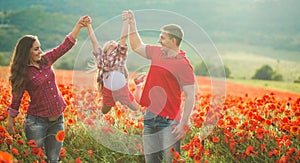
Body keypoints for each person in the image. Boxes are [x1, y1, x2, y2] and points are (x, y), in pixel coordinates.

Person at [6, 15, 90, 163]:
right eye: (36, 49)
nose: (40, 51)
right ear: (27, 52)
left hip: (58, 120)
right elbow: (16, 100)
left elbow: (65, 46)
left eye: (40, 48)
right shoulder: (23, 73)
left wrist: (78, 25)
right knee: (37, 160)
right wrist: (10, 123)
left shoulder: (46, 60)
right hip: (36, 123)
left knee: (53, 159)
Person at [127, 10, 196, 163]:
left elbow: (191, 95)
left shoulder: (183, 65)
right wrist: (132, 24)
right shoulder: (157, 53)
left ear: (173, 40)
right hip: (150, 119)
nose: (159, 40)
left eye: (162, 38)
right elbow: (137, 46)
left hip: (169, 123)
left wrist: (184, 122)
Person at [86, 11, 145, 114]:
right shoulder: (101, 57)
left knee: (135, 108)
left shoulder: (119, 54)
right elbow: (94, 42)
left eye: (114, 42)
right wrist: (88, 25)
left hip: (121, 88)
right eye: (110, 41)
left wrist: (126, 21)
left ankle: (138, 84)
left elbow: (123, 37)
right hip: (108, 90)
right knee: (104, 111)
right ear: (105, 48)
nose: (113, 41)